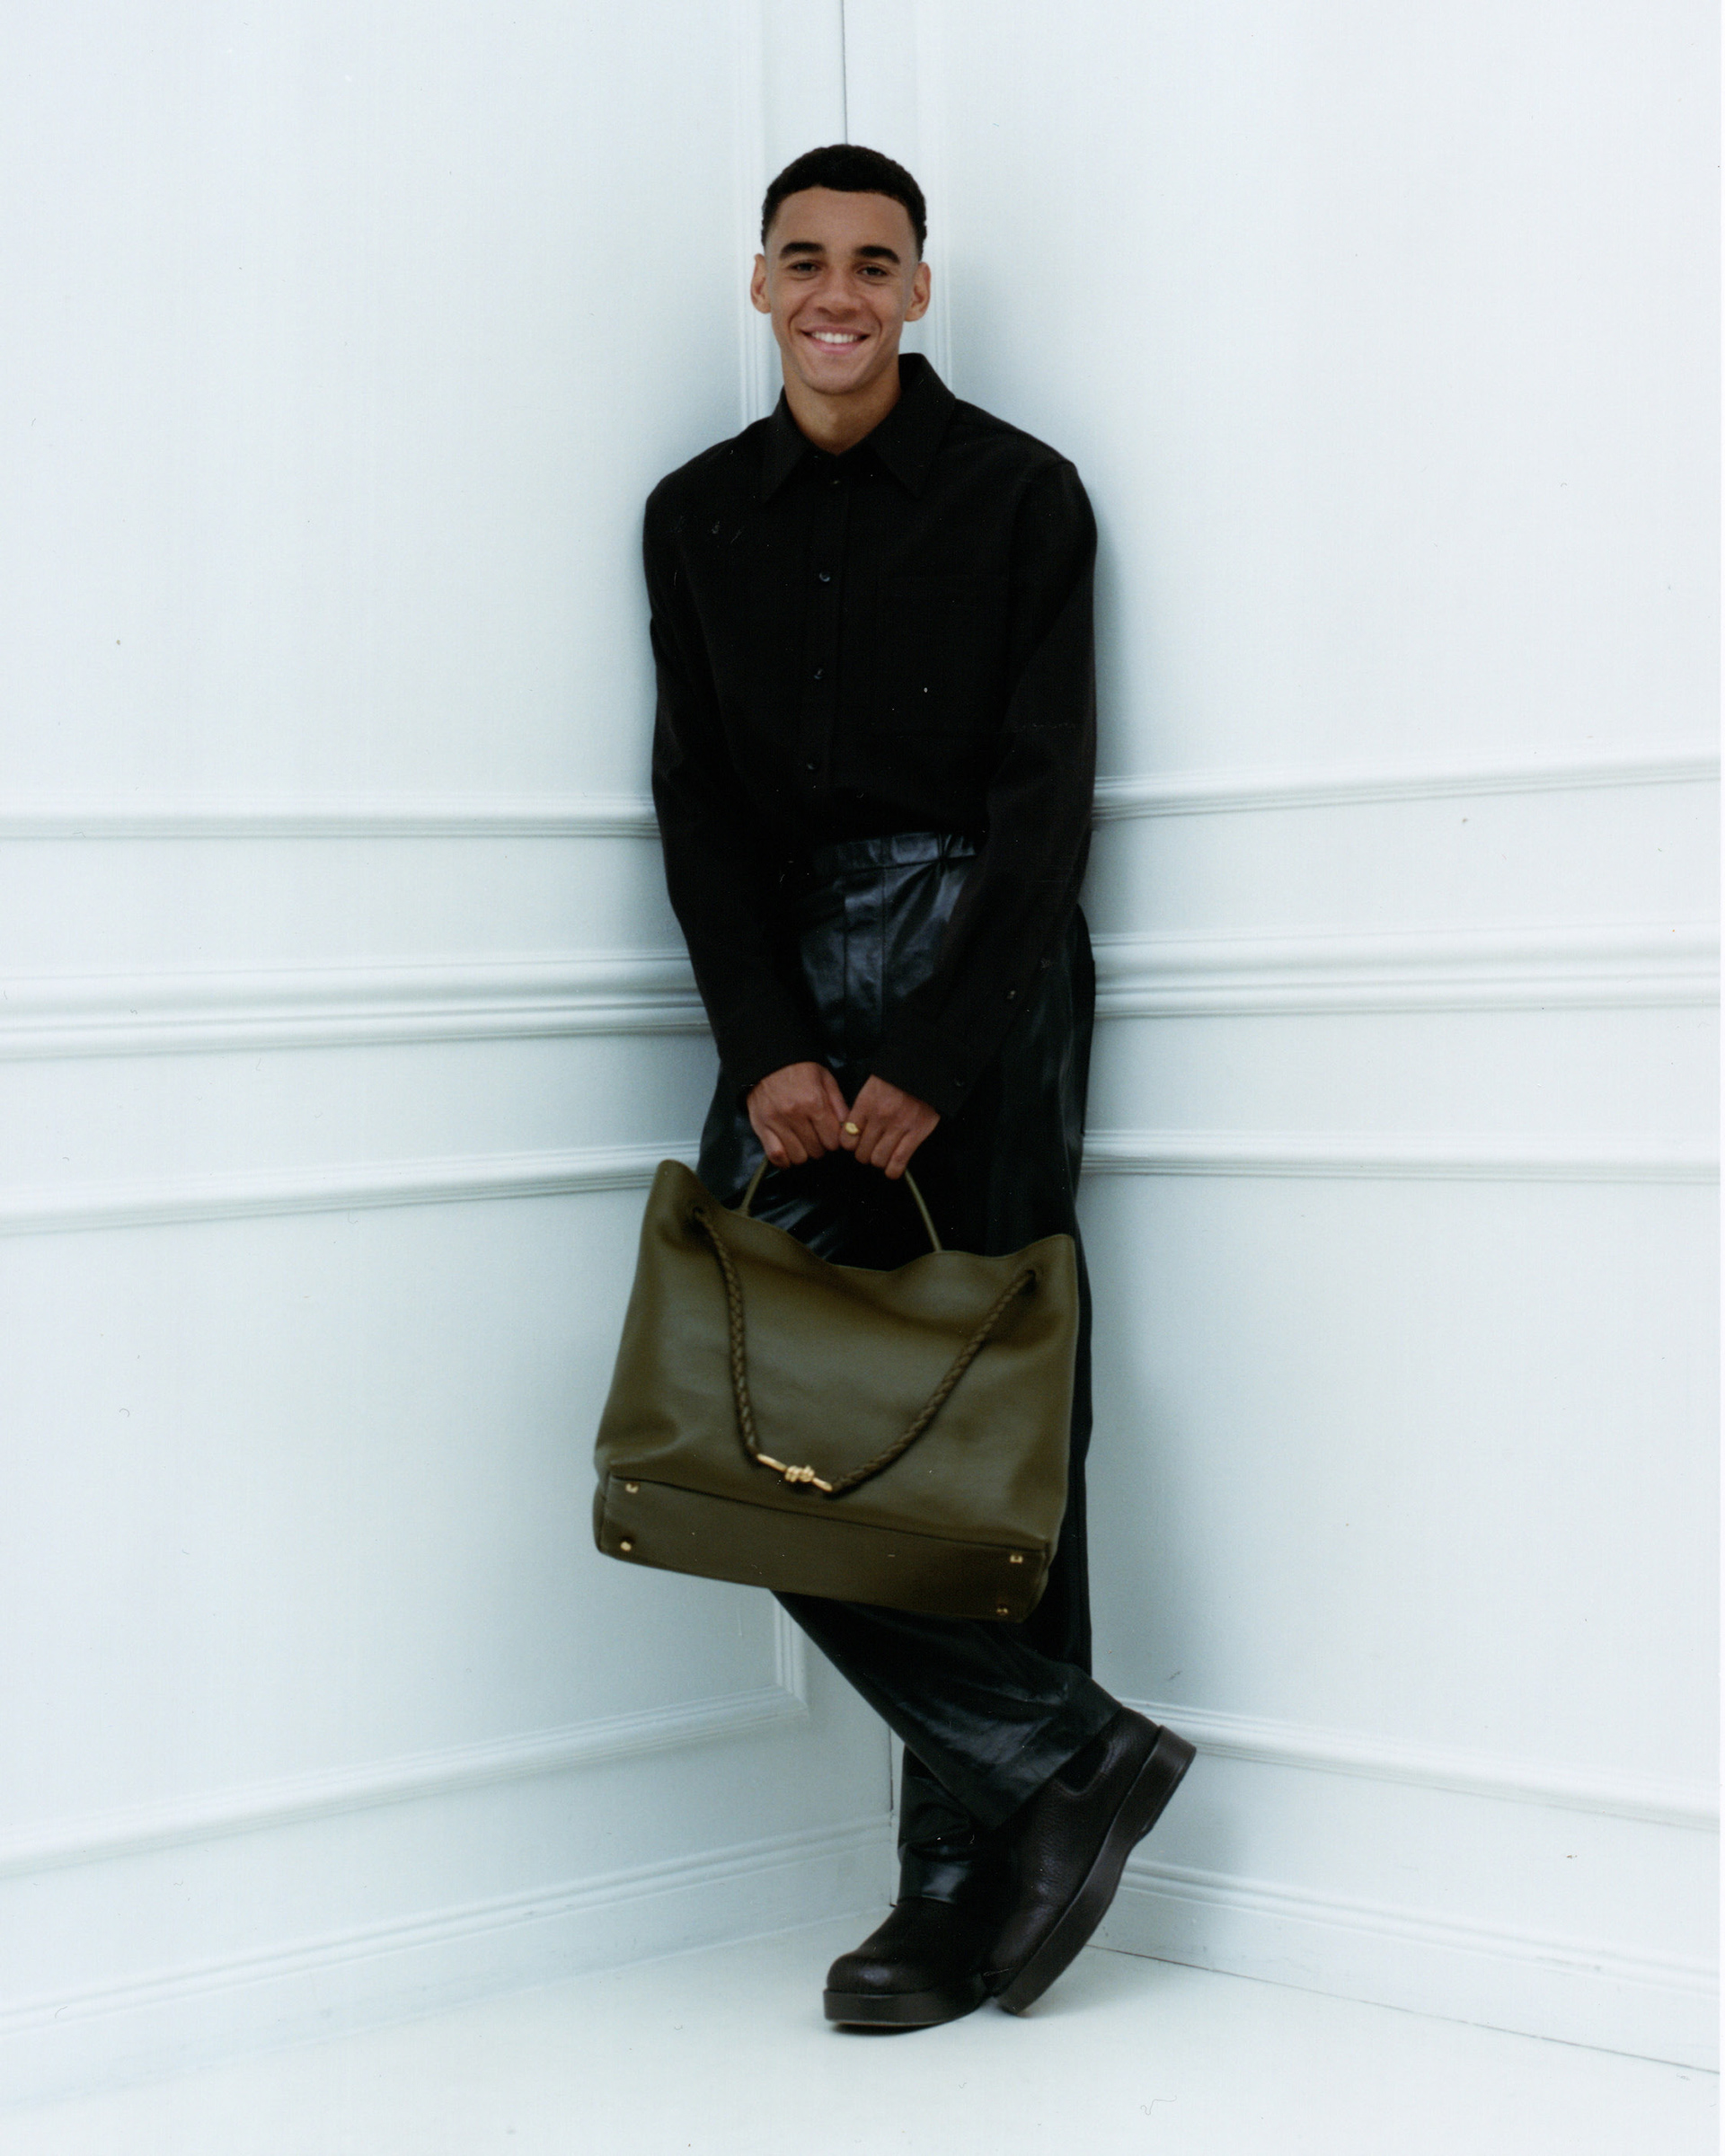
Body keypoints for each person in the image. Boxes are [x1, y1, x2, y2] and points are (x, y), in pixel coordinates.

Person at [642, 142, 1192, 2028]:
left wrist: (942, 1057)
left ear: (919, 290)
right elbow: (696, 801)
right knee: (732, 1411)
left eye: (874, 263)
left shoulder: (1022, 495)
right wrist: (768, 1044)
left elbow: (1049, 801)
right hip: (792, 980)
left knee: (991, 1418)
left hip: (986, 970)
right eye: (805, 259)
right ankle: (1066, 1757)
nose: (839, 293)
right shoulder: (695, 515)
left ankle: (957, 1881)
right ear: (761, 283)